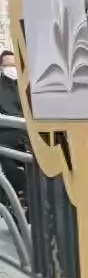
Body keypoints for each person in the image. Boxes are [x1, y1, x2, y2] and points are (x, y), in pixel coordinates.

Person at [0, 49, 28, 211]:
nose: (11, 68)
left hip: (26, 133)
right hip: (6, 133)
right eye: (7, 65)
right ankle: (18, 194)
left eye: (14, 64)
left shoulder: (25, 85)